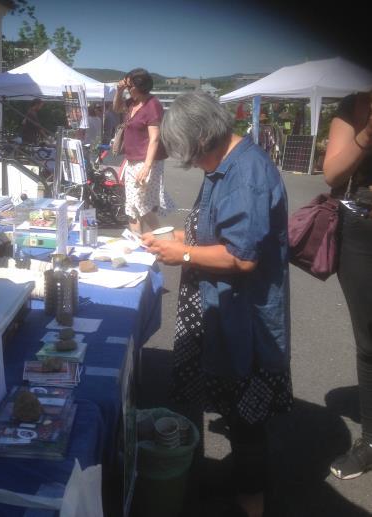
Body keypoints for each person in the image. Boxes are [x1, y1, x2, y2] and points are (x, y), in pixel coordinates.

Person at [145, 92, 292, 517]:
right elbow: (219, 232)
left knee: (246, 418)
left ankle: (251, 503)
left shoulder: (244, 173)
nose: (192, 165)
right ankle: (236, 487)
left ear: (204, 138)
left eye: (191, 156)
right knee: (232, 404)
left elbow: (242, 256)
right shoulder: (227, 163)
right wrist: (181, 240)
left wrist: (185, 255)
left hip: (242, 315)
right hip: (222, 306)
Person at [323, 91, 372, 480]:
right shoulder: (355, 104)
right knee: (369, 341)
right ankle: (371, 441)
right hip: (363, 230)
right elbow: (333, 174)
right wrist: (367, 133)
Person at [113, 67, 174, 233]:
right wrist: (118, 91)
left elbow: (155, 138)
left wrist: (146, 167)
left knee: (142, 205)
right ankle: (137, 245)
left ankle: (164, 240)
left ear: (137, 87)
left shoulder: (152, 105)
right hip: (133, 160)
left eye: (128, 86)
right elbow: (117, 108)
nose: (126, 88)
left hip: (148, 161)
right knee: (132, 206)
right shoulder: (133, 103)